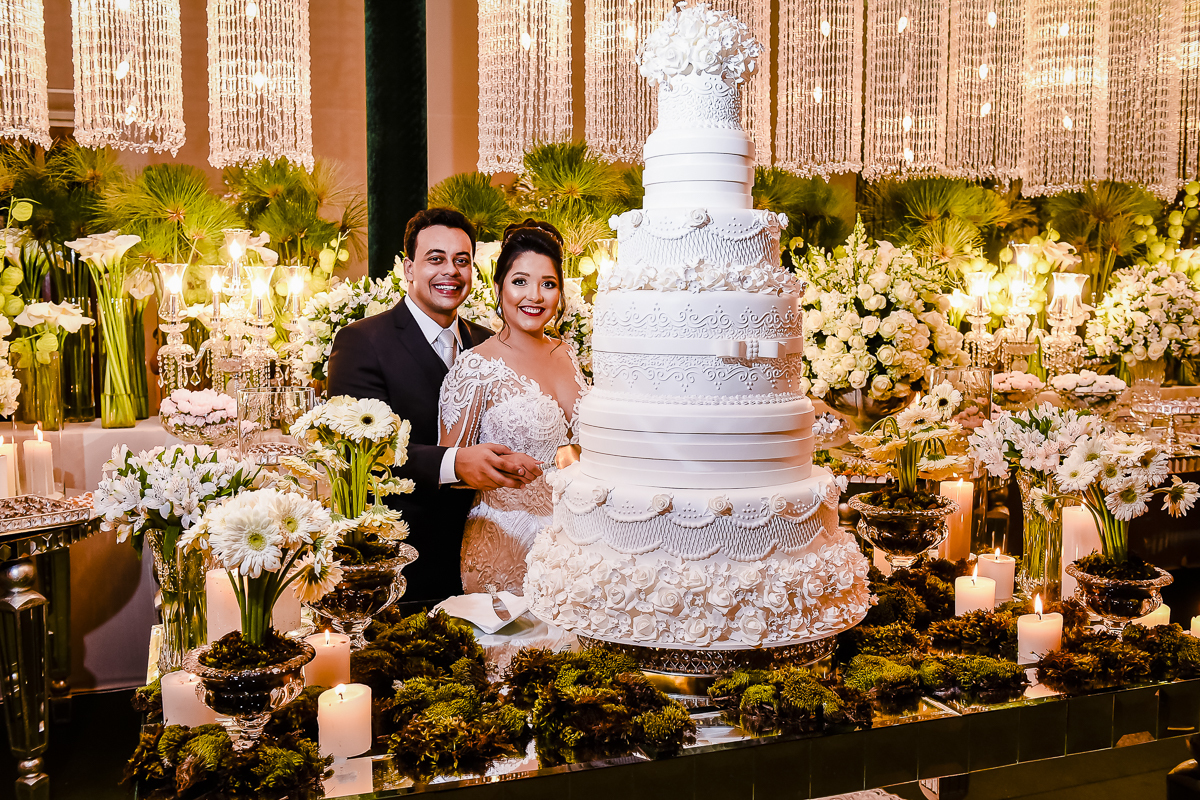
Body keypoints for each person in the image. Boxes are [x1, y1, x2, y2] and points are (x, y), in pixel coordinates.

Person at [326, 207, 542, 602]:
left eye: (462, 261)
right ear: (409, 268)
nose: (451, 271)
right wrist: (454, 463)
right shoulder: (362, 341)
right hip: (408, 566)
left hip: (494, 556)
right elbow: (358, 450)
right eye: (436, 259)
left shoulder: (490, 343)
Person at [439, 220, 588, 594]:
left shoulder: (567, 353)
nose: (534, 296)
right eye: (520, 281)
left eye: (548, 284)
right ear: (498, 286)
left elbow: (576, 450)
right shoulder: (476, 366)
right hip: (506, 545)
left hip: (580, 543)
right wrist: (496, 469)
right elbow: (450, 468)